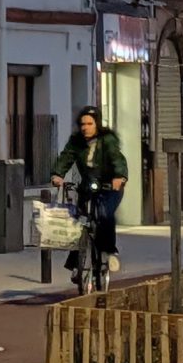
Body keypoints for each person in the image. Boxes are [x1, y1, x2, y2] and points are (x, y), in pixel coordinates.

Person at [51, 107, 128, 283]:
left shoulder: (107, 140)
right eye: (82, 124)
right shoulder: (76, 141)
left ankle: (108, 252)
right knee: (80, 223)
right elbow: (66, 157)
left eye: (89, 123)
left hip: (110, 187)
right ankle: (76, 264)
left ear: (97, 124)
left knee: (104, 214)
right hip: (88, 187)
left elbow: (117, 159)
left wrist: (120, 177)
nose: (85, 127)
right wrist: (57, 174)